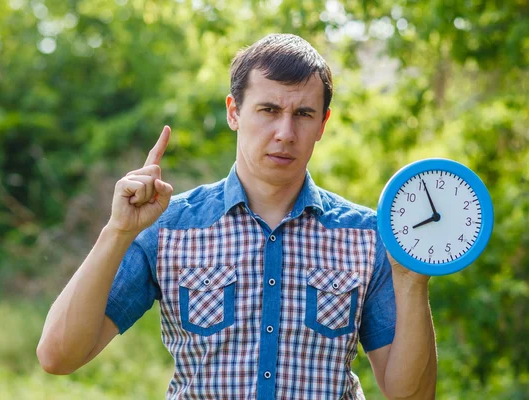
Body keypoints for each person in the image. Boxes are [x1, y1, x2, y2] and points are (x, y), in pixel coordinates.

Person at [37, 33, 437, 399]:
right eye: (268, 109)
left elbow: (411, 396)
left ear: (322, 124)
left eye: (303, 114)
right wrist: (117, 231)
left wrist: (413, 282)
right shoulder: (168, 229)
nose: (284, 132)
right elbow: (58, 357)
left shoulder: (367, 235)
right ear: (234, 112)